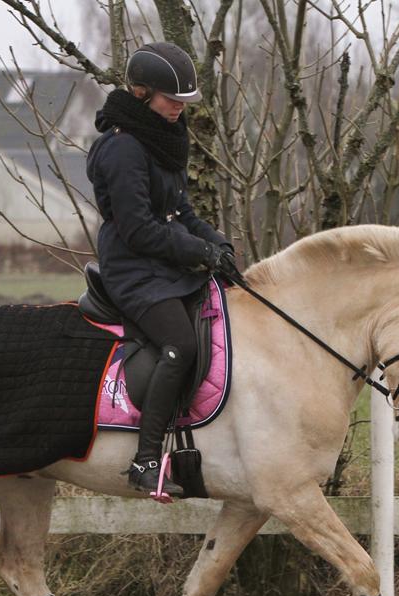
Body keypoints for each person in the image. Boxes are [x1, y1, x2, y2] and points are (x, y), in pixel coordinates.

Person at [86, 41, 237, 497]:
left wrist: (216, 244)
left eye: (185, 102)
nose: (179, 109)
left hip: (163, 264)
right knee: (181, 344)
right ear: (140, 93)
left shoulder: (163, 136)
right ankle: (146, 459)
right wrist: (197, 251)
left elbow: (180, 210)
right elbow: (141, 230)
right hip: (133, 271)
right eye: (172, 100)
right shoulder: (122, 150)